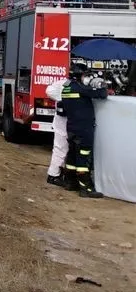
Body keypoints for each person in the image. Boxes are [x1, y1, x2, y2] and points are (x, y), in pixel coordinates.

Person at [61, 63, 108, 198]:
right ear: (78, 75)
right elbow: (102, 94)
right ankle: (85, 188)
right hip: (83, 128)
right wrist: (102, 84)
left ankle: (70, 182)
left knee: (72, 155)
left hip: (71, 127)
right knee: (84, 155)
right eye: (84, 75)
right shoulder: (80, 88)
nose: (85, 78)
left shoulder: (66, 88)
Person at [45, 75, 71, 188]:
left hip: (66, 122)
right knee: (60, 149)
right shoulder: (65, 84)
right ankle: (53, 175)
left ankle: (60, 173)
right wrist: (62, 98)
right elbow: (49, 91)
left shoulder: (65, 84)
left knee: (65, 150)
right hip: (63, 123)